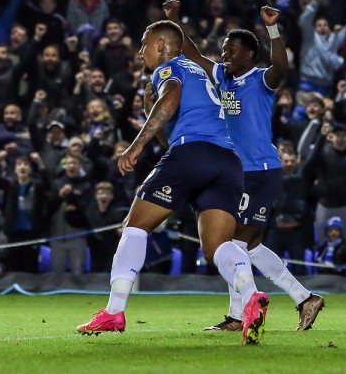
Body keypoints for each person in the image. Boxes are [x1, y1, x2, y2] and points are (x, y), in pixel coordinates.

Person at [76, 20, 270, 345]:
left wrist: (135, 146)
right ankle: (251, 297)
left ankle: (113, 311)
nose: (140, 53)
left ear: (162, 46)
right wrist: (148, 109)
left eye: (144, 44)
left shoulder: (169, 69)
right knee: (217, 247)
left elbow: (171, 103)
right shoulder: (200, 72)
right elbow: (176, 131)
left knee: (134, 227)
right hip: (227, 162)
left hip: (193, 153)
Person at [163, 0, 325, 332]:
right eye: (224, 50)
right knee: (246, 246)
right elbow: (194, 56)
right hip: (235, 173)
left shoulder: (261, 79)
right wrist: (177, 20)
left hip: (260, 171)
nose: (225, 56)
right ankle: (304, 298)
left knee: (233, 244)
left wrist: (272, 28)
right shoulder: (223, 76)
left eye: (231, 51)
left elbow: (282, 67)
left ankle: (240, 315)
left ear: (248, 54)